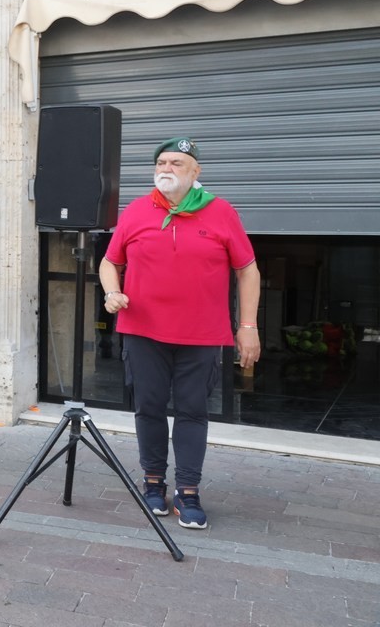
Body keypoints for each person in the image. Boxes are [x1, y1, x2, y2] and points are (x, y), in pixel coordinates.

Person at [99, 137, 260, 530]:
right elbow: (109, 262)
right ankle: (153, 482)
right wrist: (112, 292)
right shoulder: (136, 211)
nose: (166, 168)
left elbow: (248, 270)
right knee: (149, 408)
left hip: (202, 335)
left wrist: (248, 327)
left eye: (177, 163)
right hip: (143, 332)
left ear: (195, 172)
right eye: (161, 162)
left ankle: (189, 491)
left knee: (192, 412)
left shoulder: (221, 212)